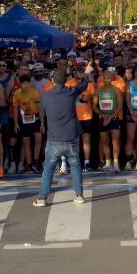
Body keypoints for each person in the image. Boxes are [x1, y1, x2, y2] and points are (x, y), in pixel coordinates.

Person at [36, 62, 95, 207]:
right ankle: (79, 195)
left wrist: (43, 124)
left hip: (54, 137)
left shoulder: (45, 95)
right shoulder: (71, 92)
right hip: (71, 136)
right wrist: (87, 73)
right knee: (75, 165)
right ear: (65, 80)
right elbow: (84, 85)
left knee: (48, 168)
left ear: (52, 80)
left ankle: (42, 198)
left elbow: (41, 112)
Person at [10, 69, 42, 174]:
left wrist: (42, 123)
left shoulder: (35, 92)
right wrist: (16, 123)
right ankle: (28, 164)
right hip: (24, 119)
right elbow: (15, 109)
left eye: (27, 83)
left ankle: (36, 162)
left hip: (36, 117)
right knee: (26, 142)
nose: (25, 85)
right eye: (23, 83)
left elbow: (40, 108)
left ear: (30, 83)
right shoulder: (17, 94)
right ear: (20, 83)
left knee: (38, 139)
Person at [94, 66, 124, 173]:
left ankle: (116, 163)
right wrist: (103, 115)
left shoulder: (116, 90)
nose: (106, 80)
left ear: (112, 78)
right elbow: (94, 106)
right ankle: (107, 162)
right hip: (103, 118)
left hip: (114, 118)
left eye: (108, 78)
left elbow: (120, 106)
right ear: (102, 78)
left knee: (115, 141)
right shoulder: (98, 90)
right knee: (105, 141)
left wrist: (110, 117)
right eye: (105, 78)